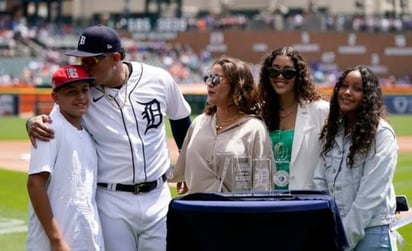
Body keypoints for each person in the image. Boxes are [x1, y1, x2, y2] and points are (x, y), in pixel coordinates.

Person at [26, 24, 192, 251]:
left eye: (92, 60)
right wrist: (32, 122)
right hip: (111, 202)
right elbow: (53, 119)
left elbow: (180, 117)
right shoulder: (85, 91)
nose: (84, 65)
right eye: (81, 60)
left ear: (115, 58)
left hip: (158, 196)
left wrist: (186, 162)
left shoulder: (158, 79)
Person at [313, 65, 398, 250]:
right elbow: (320, 182)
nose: (347, 92)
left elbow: (371, 195)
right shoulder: (332, 132)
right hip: (336, 231)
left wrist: (343, 240)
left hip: (372, 233)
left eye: (357, 88)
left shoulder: (381, 134)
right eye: (344, 86)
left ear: (368, 96)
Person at [26, 65, 104, 251]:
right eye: (71, 92)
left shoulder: (87, 131)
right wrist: (56, 240)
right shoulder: (48, 129)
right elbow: (35, 185)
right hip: (53, 242)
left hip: (86, 237)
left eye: (85, 90)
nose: (81, 97)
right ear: (56, 98)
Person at [171, 56, 273, 194]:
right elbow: (182, 174)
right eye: (208, 77)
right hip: (197, 211)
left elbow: (263, 183)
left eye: (216, 79)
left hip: (234, 212)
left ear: (237, 86)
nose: (209, 83)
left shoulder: (254, 129)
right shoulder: (199, 123)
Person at [257, 46, 329, 190]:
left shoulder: (321, 111)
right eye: (274, 71)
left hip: (304, 203)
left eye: (288, 72)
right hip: (265, 201)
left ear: (299, 76)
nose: (280, 76)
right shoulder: (260, 113)